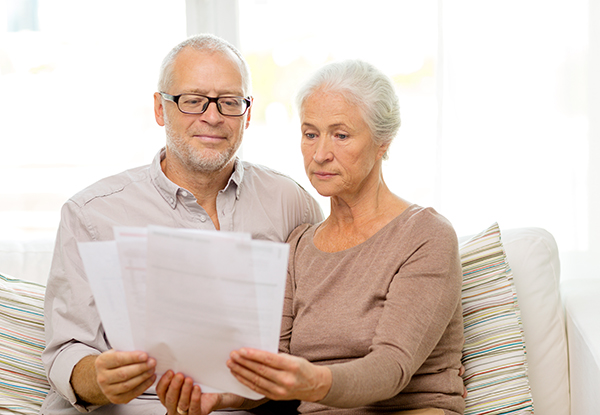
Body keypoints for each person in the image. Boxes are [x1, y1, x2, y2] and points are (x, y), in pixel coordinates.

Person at [158, 60, 465, 415]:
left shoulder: (425, 235)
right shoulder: (299, 245)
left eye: (341, 135)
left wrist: (312, 382)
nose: (320, 154)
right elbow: (275, 368)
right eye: (310, 134)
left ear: (383, 142)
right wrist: (215, 397)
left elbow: (391, 367)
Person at [40, 34, 323, 415]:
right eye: (192, 101)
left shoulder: (292, 204)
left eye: (230, 102)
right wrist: (98, 377)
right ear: (160, 109)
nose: (212, 116)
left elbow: (316, 338)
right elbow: (66, 352)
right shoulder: (90, 213)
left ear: (249, 112)